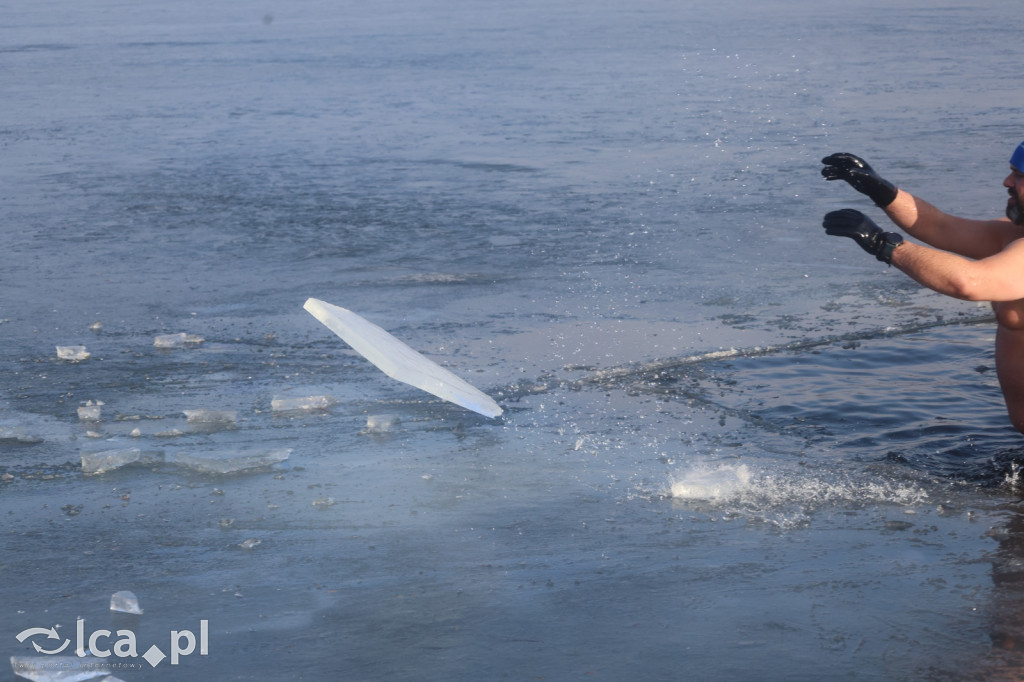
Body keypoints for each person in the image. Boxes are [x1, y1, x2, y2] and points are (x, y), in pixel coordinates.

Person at [820, 145, 1024, 433]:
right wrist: (881, 190)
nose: (1006, 182)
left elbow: (968, 282)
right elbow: (942, 227)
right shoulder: (1015, 236)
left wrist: (885, 245)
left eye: (1018, 175)